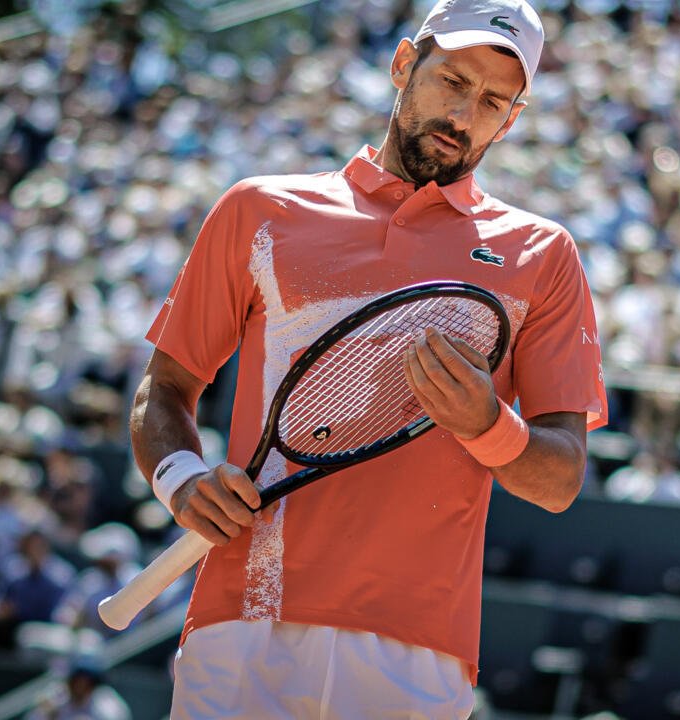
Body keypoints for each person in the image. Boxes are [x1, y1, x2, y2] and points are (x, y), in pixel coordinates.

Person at [128, 1, 607, 717]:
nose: (465, 114)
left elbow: (560, 478)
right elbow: (162, 390)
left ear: (510, 120)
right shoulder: (258, 210)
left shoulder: (544, 256)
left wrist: (488, 425)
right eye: (452, 81)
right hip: (244, 625)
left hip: (420, 650)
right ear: (403, 65)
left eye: (492, 102)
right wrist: (180, 479)